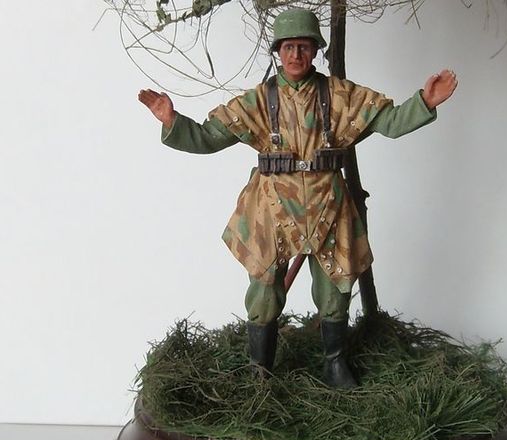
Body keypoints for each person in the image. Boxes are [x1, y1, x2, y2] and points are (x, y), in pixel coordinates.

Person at [138, 9, 457, 388]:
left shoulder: (341, 96)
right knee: (263, 287)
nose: (296, 55)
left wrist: (425, 102)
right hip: (271, 207)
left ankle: (334, 363)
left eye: (303, 47)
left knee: (336, 286)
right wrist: (172, 122)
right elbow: (209, 137)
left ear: (316, 50)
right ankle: (260, 370)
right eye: (288, 47)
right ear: (278, 51)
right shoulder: (257, 101)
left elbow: (389, 121)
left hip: (328, 205)